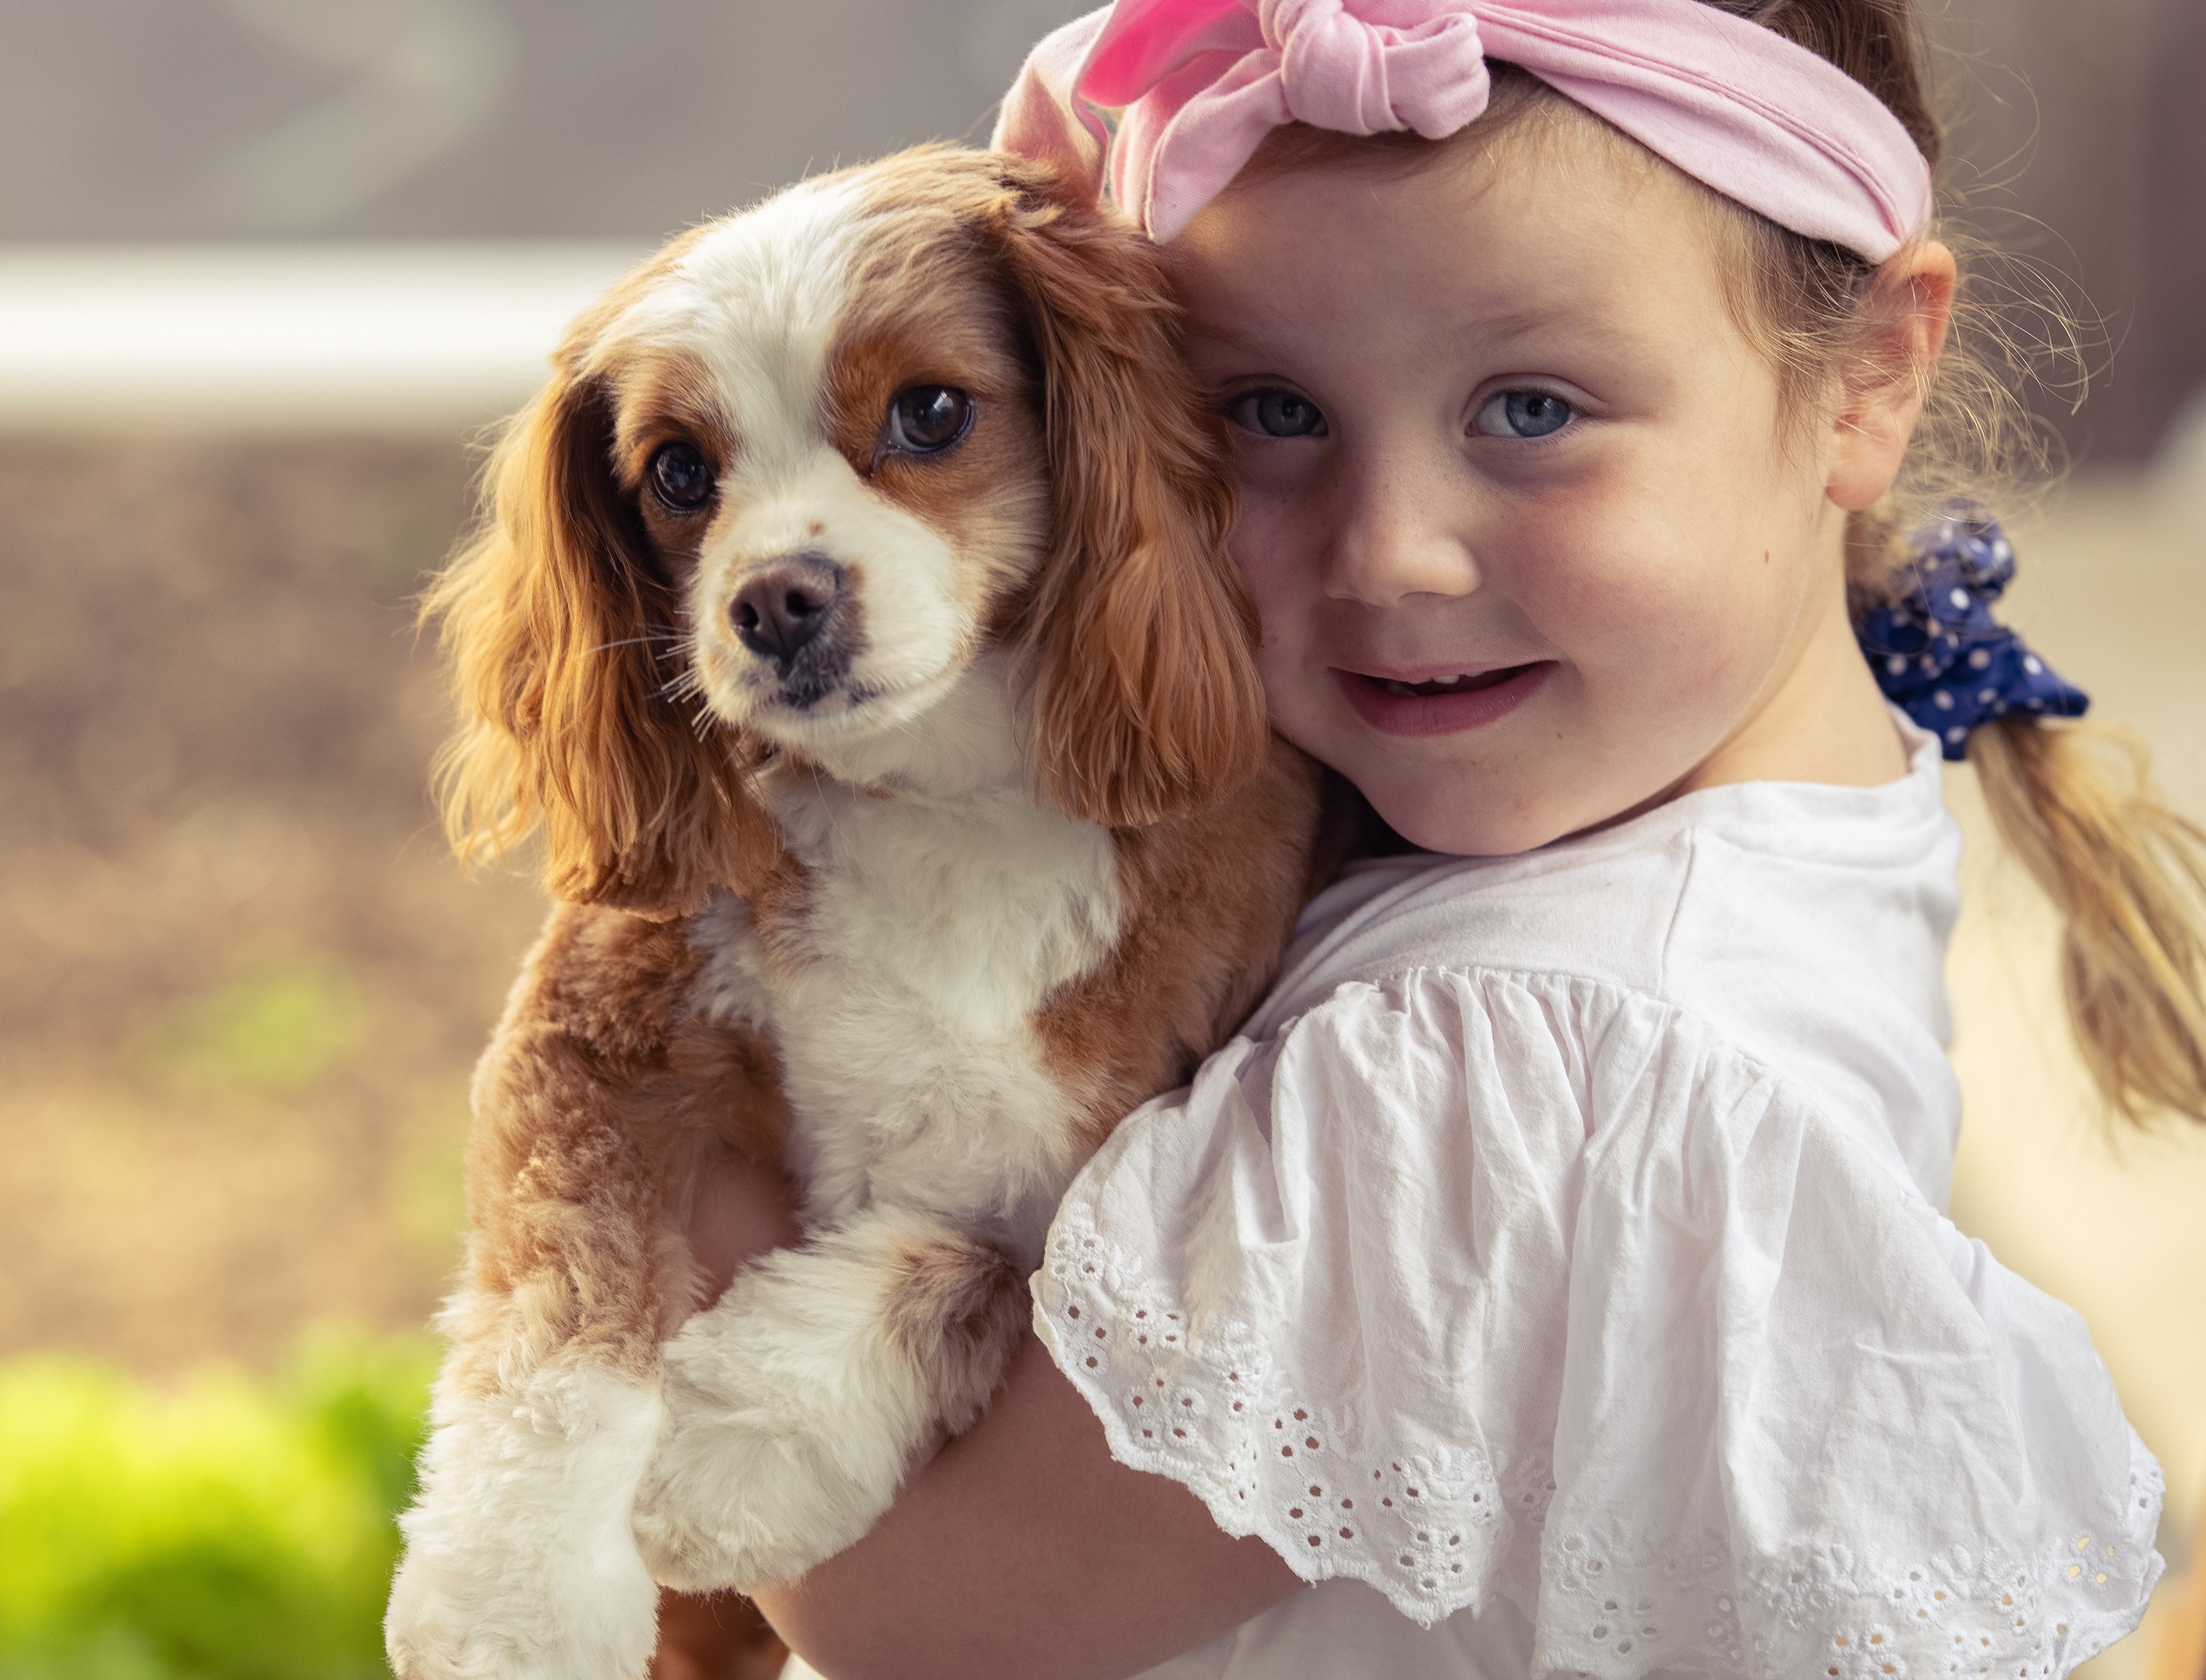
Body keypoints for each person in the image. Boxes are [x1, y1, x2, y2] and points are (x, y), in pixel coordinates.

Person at [687, 2, 2206, 1675]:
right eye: (1269, 410)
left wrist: (687, 1083)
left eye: (1533, 409)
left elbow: (906, 1614)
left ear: (1867, 375)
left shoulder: (1497, 1075)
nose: (1390, 552)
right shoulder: (1769, 783)